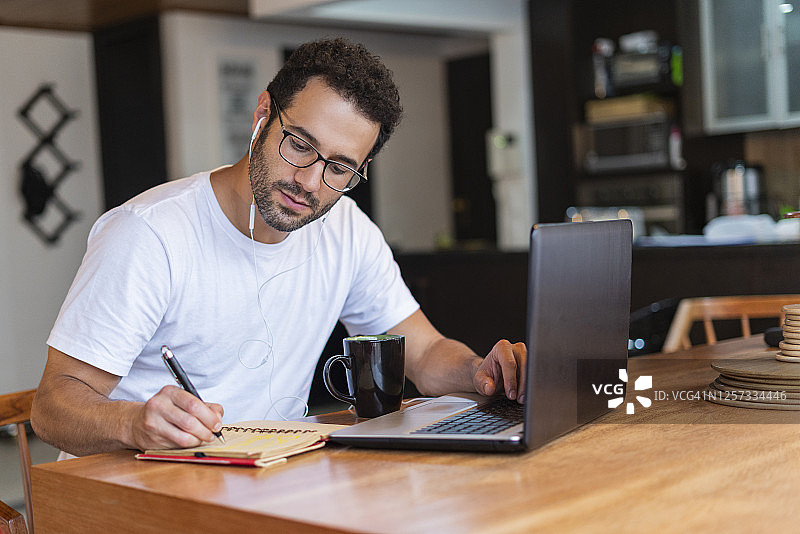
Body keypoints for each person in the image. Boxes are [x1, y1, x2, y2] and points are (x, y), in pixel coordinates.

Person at [31, 37, 526, 457]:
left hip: (269, 478)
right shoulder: (149, 233)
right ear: (264, 114)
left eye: (339, 168)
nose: (310, 181)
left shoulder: (347, 231)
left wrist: (482, 372)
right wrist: (133, 422)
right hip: (131, 491)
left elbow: (424, 353)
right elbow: (52, 407)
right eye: (300, 144)